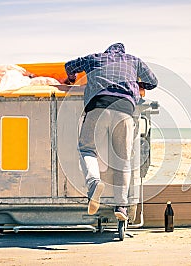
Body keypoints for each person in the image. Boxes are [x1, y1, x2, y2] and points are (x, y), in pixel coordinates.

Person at [64, 43, 158, 220]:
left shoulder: (94, 58)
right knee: (122, 159)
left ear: (107, 52)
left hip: (98, 107)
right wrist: (137, 83)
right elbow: (153, 82)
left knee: (87, 150)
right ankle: (121, 206)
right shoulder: (133, 61)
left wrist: (71, 79)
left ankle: (94, 184)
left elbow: (69, 66)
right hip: (125, 110)